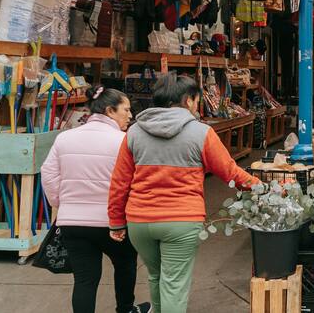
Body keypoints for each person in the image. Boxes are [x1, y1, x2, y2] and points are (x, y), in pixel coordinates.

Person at [108, 75, 258, 313]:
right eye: (196, 100)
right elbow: (230, 173)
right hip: (181, 220)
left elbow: (119, 182)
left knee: (156, 276)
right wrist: (263, 187)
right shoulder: (202, 133)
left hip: (139, 221)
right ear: (188, 100)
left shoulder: (134, 133)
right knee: (174, 284)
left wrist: (116, 222)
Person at [41, 87, 151, 313]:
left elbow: (49, 174)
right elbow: (136, 180)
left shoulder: (65, 138)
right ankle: (126, 309)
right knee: (125, 266)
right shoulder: (124, 141)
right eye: (126, 110)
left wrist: (62, 205)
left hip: (73, 223)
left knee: (85, 279)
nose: (130, 116)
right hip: (114, 223)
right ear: (110, 110)